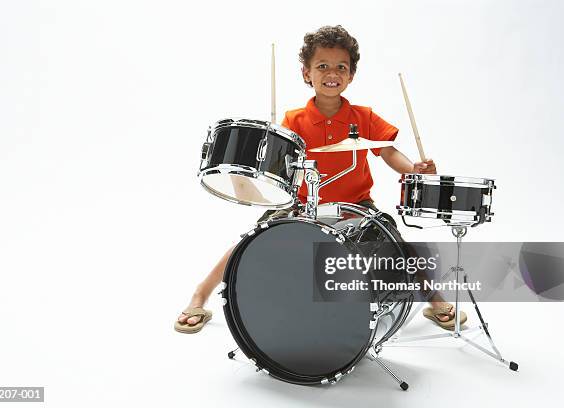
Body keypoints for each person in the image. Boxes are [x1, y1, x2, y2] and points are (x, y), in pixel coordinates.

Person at [175, 25, 465, 334]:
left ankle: (436, 301)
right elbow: (279, 164)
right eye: (322, 66)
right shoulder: (293, 119)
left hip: (356, 204)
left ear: (351, 75)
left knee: (402, 247)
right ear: (307, 73)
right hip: (302, 202)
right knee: (249, 241)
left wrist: (413, 170)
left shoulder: (364, 116)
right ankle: (200, 295)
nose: (332, 72)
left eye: (341, 67)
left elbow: (388, 152)